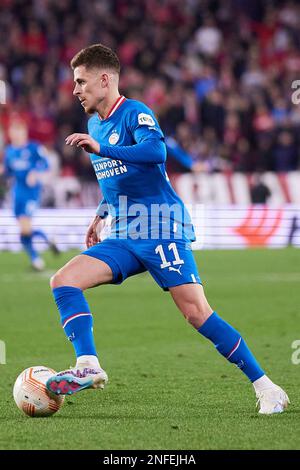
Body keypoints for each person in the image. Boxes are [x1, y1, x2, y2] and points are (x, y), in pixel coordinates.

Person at [46, 44, 289, 415]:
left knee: (196, 313)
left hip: (160, 226)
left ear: (104, 79)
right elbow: (117, 181)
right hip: (125, 232)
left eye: (81, 81)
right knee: (63, 280)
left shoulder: (135, 113)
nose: (75, 90)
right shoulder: (95, 125)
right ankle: (88, 365)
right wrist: (100, 213)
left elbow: (156, 154)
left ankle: (266, 386)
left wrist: (102, 148)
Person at [1, 120, 59, 270]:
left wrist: (36, 173)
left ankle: (40, 254)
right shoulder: (10, 152)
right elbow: (8, 172)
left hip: (31, 193)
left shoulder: (34, 148)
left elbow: (46, 164)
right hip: (17, 193)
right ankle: (38, 258)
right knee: (23, 231)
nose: (16, 135)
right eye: (13, 131)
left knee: (25, 229)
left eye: (19, 131)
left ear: (24, 133)